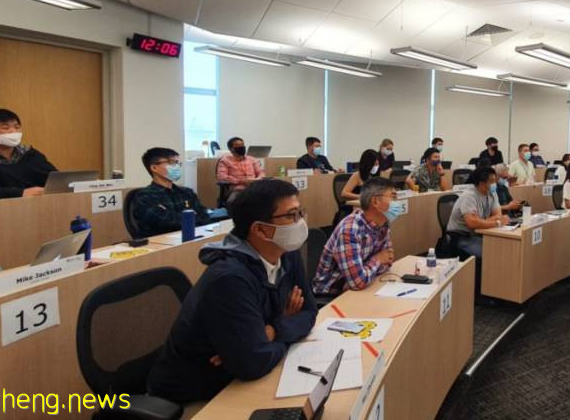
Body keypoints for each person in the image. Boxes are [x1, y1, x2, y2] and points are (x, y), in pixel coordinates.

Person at [147, 179, 318, 403]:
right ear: (259, 229)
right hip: (196, 395)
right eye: (292, 215)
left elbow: (310, 312)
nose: (300, 222)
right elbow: (252, 363)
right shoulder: (230, 278)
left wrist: (271, 332)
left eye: (300, 212)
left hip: (240, 375)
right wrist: (279, 329)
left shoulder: (287, 253)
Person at [313, 178, 402, 295]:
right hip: (332, 292)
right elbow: (358, 283)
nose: (397, 202)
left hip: (358, 286)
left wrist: (364, 272)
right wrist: (378, 259)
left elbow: (388, 261)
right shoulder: (349, 230)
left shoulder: (383, 224)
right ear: (375, 201)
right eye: (393, 197)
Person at [131, 148, 211, 237]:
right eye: (171, 162)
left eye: (178, 163)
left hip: (192, 238)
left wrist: (189, 219)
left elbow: (205, 216)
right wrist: (192, 217)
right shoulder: (144, 196)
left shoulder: (187, 192)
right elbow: (166, 223)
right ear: (154, 168)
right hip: (161, 242)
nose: (176, 166)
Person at [445, 167, 509, 269]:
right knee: (491, 252)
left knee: (500, 247)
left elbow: (498, 215)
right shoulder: (469, 196)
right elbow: (472, 223)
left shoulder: (492, 193)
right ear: (482, 184)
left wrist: (481, 221)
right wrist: (497, 223)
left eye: (495, 180)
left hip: (478, 234)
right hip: (461, 237)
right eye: (492, 181)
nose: (495, 183)